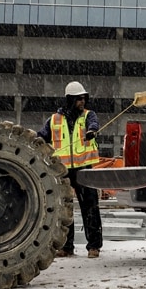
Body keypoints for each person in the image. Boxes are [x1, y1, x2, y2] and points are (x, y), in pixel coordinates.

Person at [37, 81, 103, 258]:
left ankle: (94, 246)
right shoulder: (54, 120)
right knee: (64, 209)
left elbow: (94, 124)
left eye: (84, 98)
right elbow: (40, 137)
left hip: (84, 169)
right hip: (62, 171)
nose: (83, 102)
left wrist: (92, 131)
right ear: (70, 100)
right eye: (79, 99)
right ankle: (66, 246)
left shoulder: (88, 116)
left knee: (90, 207)